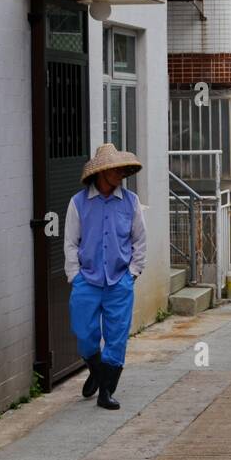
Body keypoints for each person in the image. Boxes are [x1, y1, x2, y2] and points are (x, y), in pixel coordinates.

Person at [64, 144, 146, 410]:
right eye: (116, 169)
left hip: (119, 281)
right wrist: (74, 276)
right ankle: (97, 372)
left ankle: (105, 392)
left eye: (123, 170)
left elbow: (139, 241)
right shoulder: (78, 203)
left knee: (117, 337)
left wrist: (133, 273)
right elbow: (70, 243)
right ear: (102, 172)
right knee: (84, 332)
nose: (121, 174)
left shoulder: (131, 202)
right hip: (86, 281)